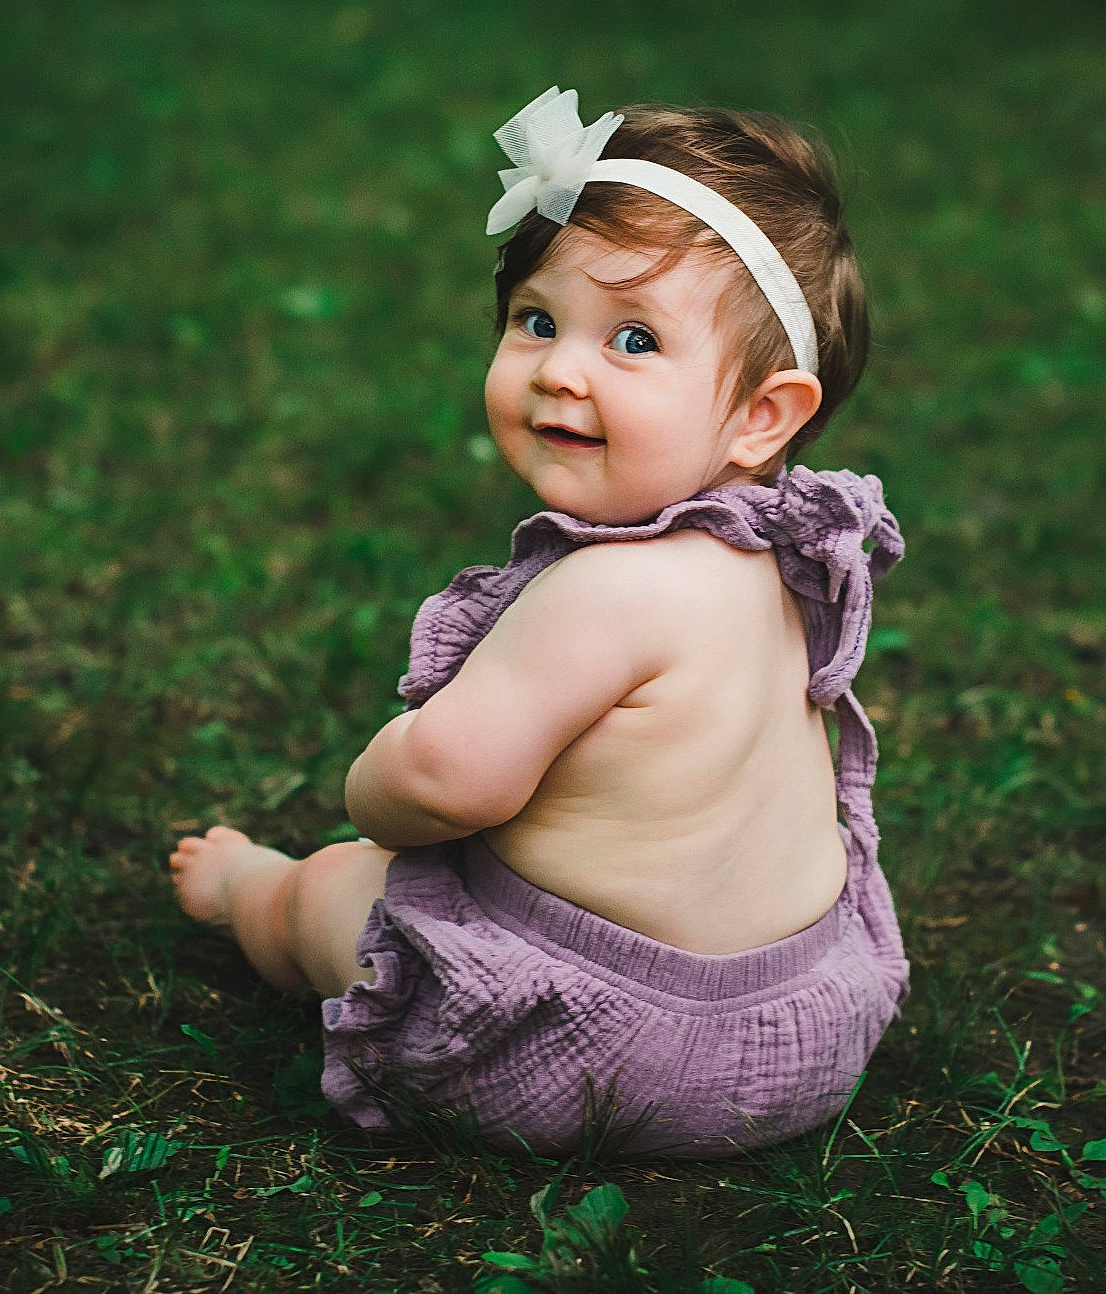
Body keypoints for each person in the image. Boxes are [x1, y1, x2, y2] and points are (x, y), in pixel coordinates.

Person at [170, 86, 908, 1157]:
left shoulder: (606, 591)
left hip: (600, 1052)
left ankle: (251, 891)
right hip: (799, 1033)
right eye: (537, 320)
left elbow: (443, 784)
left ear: (761, 415)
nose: (560, 368)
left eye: (634, 341)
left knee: (339, 882)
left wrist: (372, 781)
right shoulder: (782, 564)